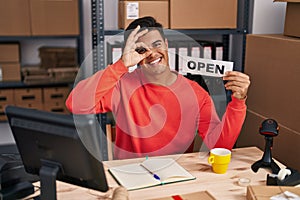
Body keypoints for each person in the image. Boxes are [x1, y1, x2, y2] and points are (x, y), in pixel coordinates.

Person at [66, 16, 250, 159]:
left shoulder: (196, 93)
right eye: (141, 49)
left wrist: (238, 103)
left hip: (177, 175)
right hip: (131, 174)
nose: (152, 53)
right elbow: (76, 104)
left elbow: (219, 146)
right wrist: (121, 65)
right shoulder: (122, 85)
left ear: (166, 44)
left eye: (157, 45)